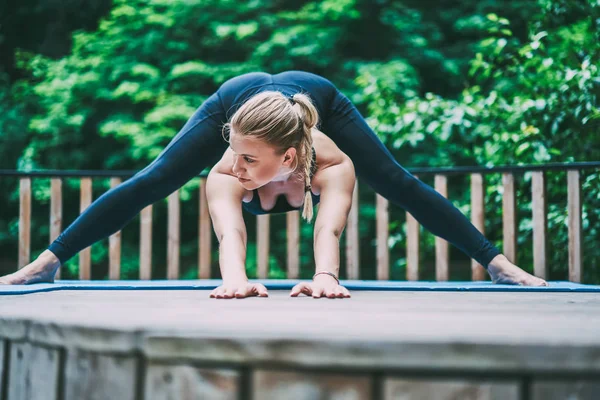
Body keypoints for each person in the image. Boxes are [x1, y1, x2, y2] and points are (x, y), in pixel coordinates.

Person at [0, 70, 548, 297]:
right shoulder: (227, 166)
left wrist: (325, 277)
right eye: (233, 157)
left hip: (315, 95)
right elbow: (229, 235)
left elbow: (328, 233)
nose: (235, 171)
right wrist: (235, 280)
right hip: (241, 97)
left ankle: (498, 263)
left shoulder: (332, 165)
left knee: (398, 180)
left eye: (248, 163)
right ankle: (45, 261)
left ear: (289, 160)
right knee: (157, 177)